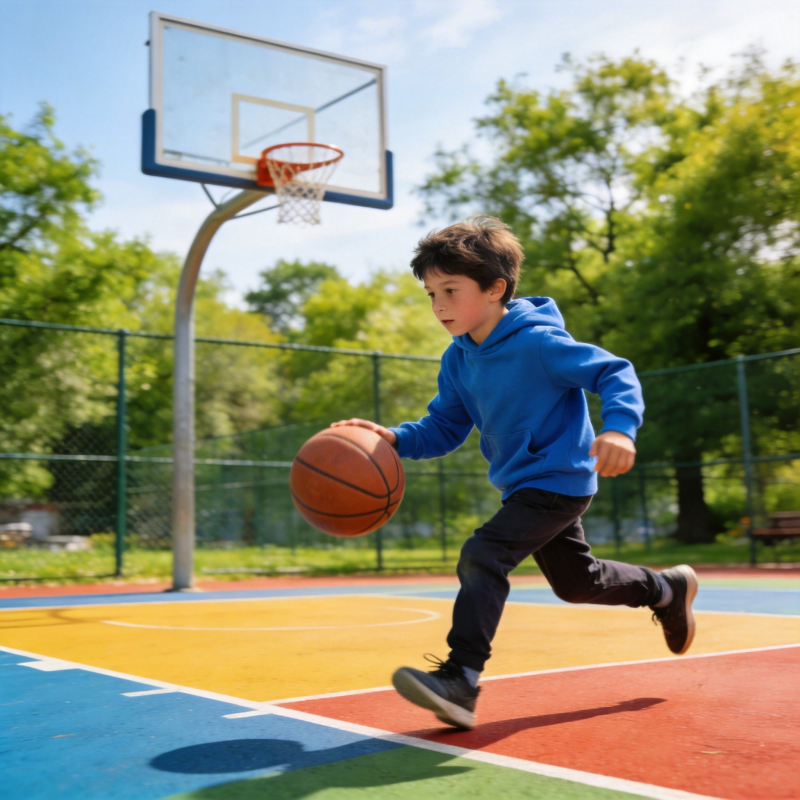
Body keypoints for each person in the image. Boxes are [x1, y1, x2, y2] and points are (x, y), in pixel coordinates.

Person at [331, 216, 698, 730]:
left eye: (450, 291)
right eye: (431, 293)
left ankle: (461, 679)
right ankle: (664, 589)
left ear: (495, 288)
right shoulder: (458, 360)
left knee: (484, 552)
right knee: (576, 583)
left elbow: (614, 371)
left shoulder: (539, 344)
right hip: (524, 487)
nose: (438, 306)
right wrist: (394, 438)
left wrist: (619, 429)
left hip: (559, 481)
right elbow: (443, 427)